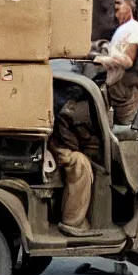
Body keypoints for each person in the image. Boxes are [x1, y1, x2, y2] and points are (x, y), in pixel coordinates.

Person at [49, 86, 99, 238]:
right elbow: (67, 138)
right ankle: (73, 221)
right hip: (56, 145)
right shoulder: (73, 112)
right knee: (80, 163)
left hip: (60, 139)